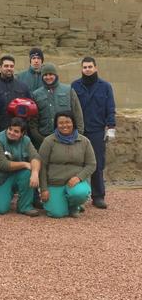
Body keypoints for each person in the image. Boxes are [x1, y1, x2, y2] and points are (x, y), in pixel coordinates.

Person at [71, 57, 116, 209]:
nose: (87, 69)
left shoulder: (105, 87)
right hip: (79, 130)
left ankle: (98, 196)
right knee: (77, 163)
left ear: (96, 68)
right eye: (85, 67)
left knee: (97, 163)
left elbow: (110, 107)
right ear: (81, 69)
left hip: (97, 130)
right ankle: (78, 197)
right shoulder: (75, 86)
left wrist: (111, 127)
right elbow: (71, 108)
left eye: (90, 66)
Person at [39, 112, 97, 218]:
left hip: (74, 182)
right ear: (56, 125)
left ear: (73, 123)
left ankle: (74, 206)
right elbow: (41, 166)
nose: (64, 125)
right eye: (61, 123)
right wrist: (43, 189)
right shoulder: (48, 141)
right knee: (57, 214)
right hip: (54, 182)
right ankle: (62, 204)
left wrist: (79, 178)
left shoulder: (84, 141)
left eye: (67, 122)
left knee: (80, 193)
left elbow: (91, 164)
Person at [0, 118, 40, 216]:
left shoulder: (26, 140)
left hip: (15, 176)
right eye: (10, 129)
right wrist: (24, 164)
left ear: (22, 133)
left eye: (16, 131)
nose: (11, 133)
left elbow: (35, 157)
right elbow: (3, 165)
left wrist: (35, 173)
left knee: (28, 172)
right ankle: (4, 194)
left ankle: (25, 207)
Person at [29, 63, 84, 148]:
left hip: (68, 138)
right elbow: (33, 121)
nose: (48, 77)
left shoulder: (68, 90)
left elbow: (77, 113)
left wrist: (79, 134)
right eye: (45, 75)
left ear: (55, 75)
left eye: (51, 74)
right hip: (45, 138)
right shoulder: (36, 94)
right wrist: (39, 138)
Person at [0, 55, 31, 134]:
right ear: (0, 67)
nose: (9, 68)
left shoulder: (23, 87)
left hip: (18, 131)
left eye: (11, 66)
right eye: (6, 66)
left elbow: (29, 109)